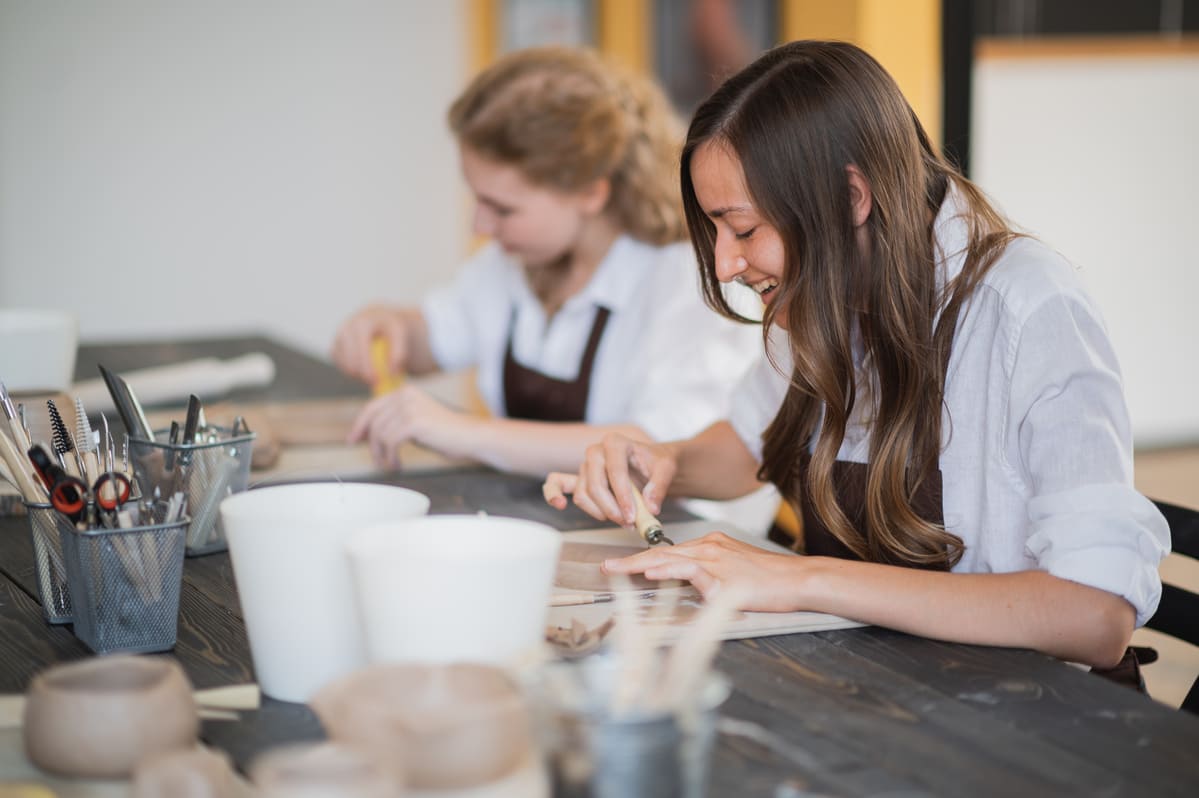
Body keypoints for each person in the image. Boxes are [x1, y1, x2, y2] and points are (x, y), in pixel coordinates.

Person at [543, 40, 1169, 671]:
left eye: (745, 229)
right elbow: (743, 448)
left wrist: (801, 579)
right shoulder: (825, 292)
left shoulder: (1028, 307)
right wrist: (659, 461)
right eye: (716, 233)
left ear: (849, 200)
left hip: (1028, 724)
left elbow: (1095, 614)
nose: (726, 264)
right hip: (876, 684)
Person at [331, 47, 775, 529]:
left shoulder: (689, 282)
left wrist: (462, 432)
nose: (481, 224)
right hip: (555, 521)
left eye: (502, 208)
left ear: (591, 192)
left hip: (681, 535)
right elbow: (433, 337)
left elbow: (648, 448)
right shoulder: (512, 261)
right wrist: (390, 326)